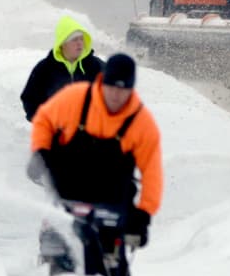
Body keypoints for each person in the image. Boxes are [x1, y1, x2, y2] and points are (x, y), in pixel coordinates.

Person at [28, 52, 162, 263]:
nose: (116, 95)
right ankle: (58, 262)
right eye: (111, 87)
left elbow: (152, 173)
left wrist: (143, 215)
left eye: (123, 89)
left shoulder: (141, 123)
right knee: (59, 245)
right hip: (69, 187)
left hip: (113, 196)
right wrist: (41, 152)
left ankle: (113, 275)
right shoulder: (75, 98)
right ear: (102, 82)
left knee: (113, 254)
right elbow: (44, 119)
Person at [20, 15, 103, 121]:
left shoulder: (96, 66)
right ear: (62, 43)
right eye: (74, 39)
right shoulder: (45, 68)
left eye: (81, 39)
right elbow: (29, 98)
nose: (79, 43)